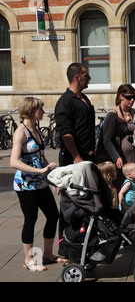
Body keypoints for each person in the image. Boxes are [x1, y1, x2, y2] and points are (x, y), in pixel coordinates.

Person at [10, 97, 67, 272]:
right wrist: (39, 172)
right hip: (26, 185)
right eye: (40, 109)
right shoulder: (21, 132)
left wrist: (51, 177)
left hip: (40, 183)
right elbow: (13, 162)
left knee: (53, 215)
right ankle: (28, 259)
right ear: (31, 110)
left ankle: (48, 255)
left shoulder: (36, 129)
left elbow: (40, 158)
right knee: (31, 219)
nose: (43, 111)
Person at [98, 84, 135, 191]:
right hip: (121, 157)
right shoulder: (113, 114)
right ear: (121, 97)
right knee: (122, 187)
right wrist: (116, 156)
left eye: (134, 97)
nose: (132, 100)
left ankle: (134, 205)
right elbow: (106, 139)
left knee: (134, 186)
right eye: (129, 97)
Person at [54, 62, 96, 166]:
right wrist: (76, 156)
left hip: (88, 156)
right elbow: (65, 133)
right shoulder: (65, 101)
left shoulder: (84, 99)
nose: (89, 78)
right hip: (73, 158)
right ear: (76, 78)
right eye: (86, 76)